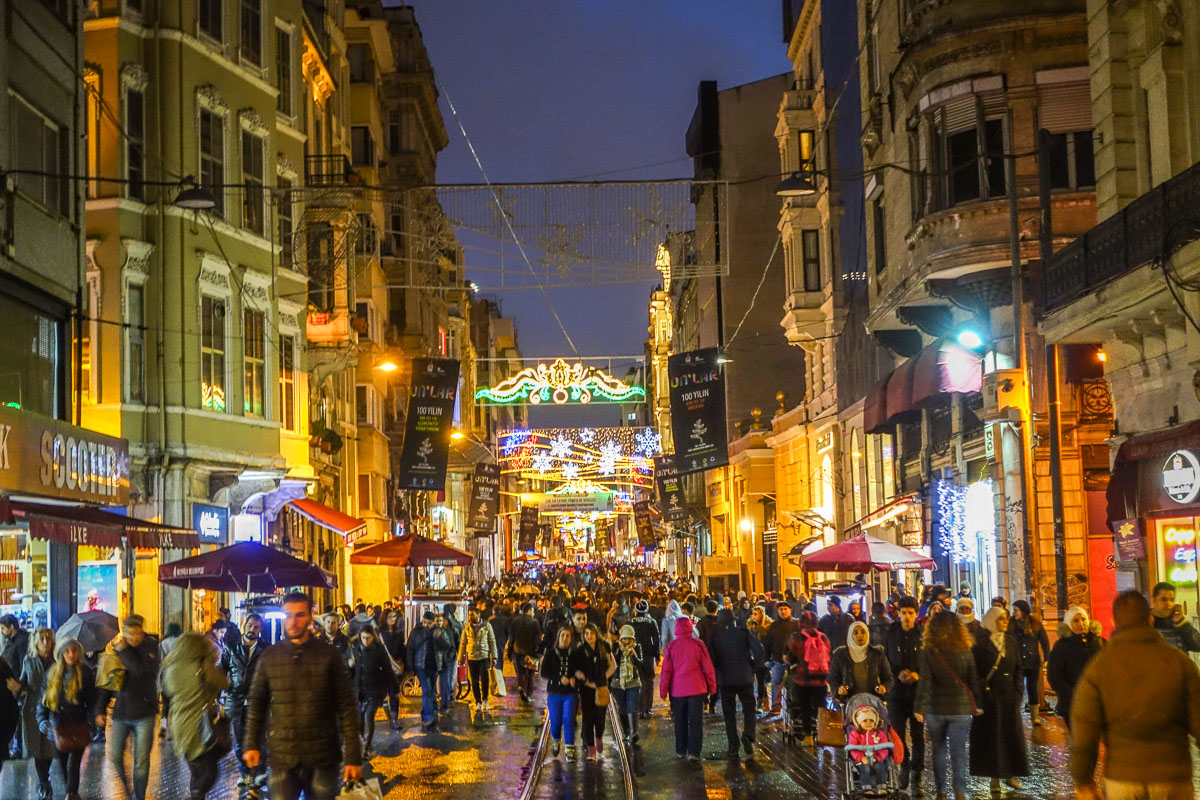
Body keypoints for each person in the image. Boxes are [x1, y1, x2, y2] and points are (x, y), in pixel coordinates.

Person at [1070, 590, 1200, 800]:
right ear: (1149, 619)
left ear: (1113, 621)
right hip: (1173, 777)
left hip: (1123, 779)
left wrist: (1083, 780)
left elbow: (1084, 729)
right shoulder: (1180, 663)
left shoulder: (1099, 667)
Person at [243, 592, 362, 800]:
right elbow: (256, 703)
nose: (293, 622)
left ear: (310, 617)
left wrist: (353, 756)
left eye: (299, 615)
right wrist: (252, 744)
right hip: (283, 755)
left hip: (322, 755)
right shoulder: (270, 657)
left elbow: (347, 706)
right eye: (288, 615)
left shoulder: (329, 655)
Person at [914, 607, 982, 800]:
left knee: (938, 750)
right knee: (959, 752)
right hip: (960, 709)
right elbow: (972, 679)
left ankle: (941, 791)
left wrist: (919, 708)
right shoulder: (965, 649)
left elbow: (925, 682)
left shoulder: (929, 651)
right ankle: (959, 791)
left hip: (936, 709)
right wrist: (977, 702)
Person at [93, 615, 159, 800]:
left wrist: (124, 650)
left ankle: (138, 796)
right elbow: (109, 681)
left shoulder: (151, 647)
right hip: (121, 712)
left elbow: (139, 671)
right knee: (114, 755)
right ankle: (128, 788)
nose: (133, 637)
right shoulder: (118, 650)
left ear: (141, 631)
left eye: (136, 633)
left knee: (141, 761)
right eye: (129, 633)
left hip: (144, 713)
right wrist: (100, 709)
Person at [161, 632, 231, 800]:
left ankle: (196, 796)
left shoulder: (169, 669)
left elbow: (167, 692)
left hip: (179, 725)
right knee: (210, 772)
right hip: (200, 725)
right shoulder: (201, 666)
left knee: (197, 769)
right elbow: (224, 683)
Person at [969, 607, 1028, 795]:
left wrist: (1018, 692)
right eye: (1000, 619)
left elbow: (1019, 668)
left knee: (1011, 736)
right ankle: (994, 778)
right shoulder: (980, 644)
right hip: (990, 698)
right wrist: (981, 691)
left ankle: (1011, 773)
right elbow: (973, 671)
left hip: (1009, 697)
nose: (1004, 622)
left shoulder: (1011, 641)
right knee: (993, 738)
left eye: (1005, 619)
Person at [36, 638, 94, 800]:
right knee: (62, 762)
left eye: (74, 651)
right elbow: (43, 699)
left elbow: (92, 699)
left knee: (74, 763)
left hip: (78, 724)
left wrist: (93, 720)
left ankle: (71, 792)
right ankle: (71, 791)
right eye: (67, 651)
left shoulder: (85, 672)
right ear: (61, 654)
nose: (71, 654)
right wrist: (42, 720)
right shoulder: (52, 673)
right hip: (58, 726)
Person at [219, 612, 267, 793]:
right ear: (244, 626)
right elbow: (221, 670)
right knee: (239, 741)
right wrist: (221, 688)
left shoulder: (265, 648)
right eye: (250, 626)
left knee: (260, 738)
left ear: (260, 629)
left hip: (257, 700)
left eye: (256, 627)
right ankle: (245, 772)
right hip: (236, 700)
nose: (252, 629)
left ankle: (260, 771)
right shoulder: (231, 647)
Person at [659, 616, 716, 763]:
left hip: (678, 690)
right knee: (696, 721)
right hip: (697, 689)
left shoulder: (672, 646)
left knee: (680, 720)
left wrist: (663, 691)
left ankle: (680, 749)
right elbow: (708, 668)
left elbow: (666, 671)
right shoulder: (698, 644)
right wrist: (712, 686)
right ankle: (694, 752)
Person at [707, 608, 762, 759]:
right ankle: (749, 735)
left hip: (726, 679)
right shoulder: (743, 633)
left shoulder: (715, 637)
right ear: (733, 620)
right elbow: (759, 650)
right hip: (744, 677)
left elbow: (712, 659)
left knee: (729, 713)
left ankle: (733, 746)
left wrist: (718, 670)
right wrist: (752, 666)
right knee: (749, 708)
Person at [884, 596, 925, 795]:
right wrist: (896, 673)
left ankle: (917, 776)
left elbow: (928, 661)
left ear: (916, 615)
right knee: (898, 735)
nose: (907, 616)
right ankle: (905, 764)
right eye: (904, 612)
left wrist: (918, 674)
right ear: (898, 614)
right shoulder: (890, 634)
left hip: (917, 694)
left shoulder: (922, 634)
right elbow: (884, 661)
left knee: (918, 736)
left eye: (911, 613)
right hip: (897, 693)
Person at [1046, 605, 1101, 728]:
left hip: (1097, 702)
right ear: (1069, 624)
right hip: (1073, 703)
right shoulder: (1062, 646)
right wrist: (1072, 694)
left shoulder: (1098, 641)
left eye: (1083, 619)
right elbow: (1055, 675)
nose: (1081, 623)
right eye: (1076, 621)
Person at [570, 624, 616, 761]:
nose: (589, 636)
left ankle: (599, 737)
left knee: (600, 718)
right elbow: (575, 668)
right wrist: (581, 677)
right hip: (586, 689)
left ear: (596, 634)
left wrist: (603, 678)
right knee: (588, 719)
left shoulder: (604, 648)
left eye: (591, 633)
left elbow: (613, 665)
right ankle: (591, 749)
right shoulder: (580, 651)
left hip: (601, 688)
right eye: (586, 634)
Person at [19, 628, 55, 800]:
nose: (45, 642)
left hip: (53, 709)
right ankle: (43, 782)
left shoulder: (57, 659)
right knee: (37, 749)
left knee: (49, 748)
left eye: (48, 639)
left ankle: (45, 778)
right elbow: (23, 682)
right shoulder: (29, 660)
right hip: (33, 709)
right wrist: (18, 689)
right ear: (36, 642)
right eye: (42, 639)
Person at [349, 627, 397, 757]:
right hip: (360, 690)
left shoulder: (379, 650)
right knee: (359, 719)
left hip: (375, 689)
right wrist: (350, 665)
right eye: (363, 638)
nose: (366, 641)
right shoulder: (356, 649)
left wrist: (394, 688)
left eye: (368, 638)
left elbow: (388, 669)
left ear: (373, 637)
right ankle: (366, 742)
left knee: (368, 716)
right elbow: (353, 671)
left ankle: (365, 747)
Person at [783, 610, 830, 743]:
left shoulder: (797, 638)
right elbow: (828, 656)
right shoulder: (823, 638)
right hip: (821, 680)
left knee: (805, 707)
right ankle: (822, 734)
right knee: (820, 706)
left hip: (803, 680)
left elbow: (791, 658)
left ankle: (808, 736)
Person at [405, 612, 454, 731]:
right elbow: (410, 649)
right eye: (424, 622)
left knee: (431, 691)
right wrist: (411, 667)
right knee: (427, 691)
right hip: (421, 666)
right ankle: (428, 717)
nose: (426, 625)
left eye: (429, 623)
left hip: (435, 665)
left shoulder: (439, 631)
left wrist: (439, 637)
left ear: (433, 622)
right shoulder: (416, 632)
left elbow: (448, 646)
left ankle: (431, 714)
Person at [828, 620, 893, 700]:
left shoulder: (877, 654)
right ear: (850, 636)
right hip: (848, 702)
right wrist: (838, 689)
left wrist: (885, 687)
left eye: (863, 632)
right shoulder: (840, 655)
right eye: (855, 633)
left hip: (873, 701)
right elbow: (832, 679)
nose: (860, 635)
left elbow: (889, 678)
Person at [1009, 600, 1049, 725]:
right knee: (1017, 689)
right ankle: (1015, 716)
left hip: (1032, 662)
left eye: (1016, 610)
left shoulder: (1035, 623)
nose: (1014, 613)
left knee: (1032, 688)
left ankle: (1035, 717)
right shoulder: (1010, 624)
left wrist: (1047, 658)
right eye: (1014, 610)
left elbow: (1044, 641)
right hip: (1017, 662)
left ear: (1023, 611)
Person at [541, 627, 577, 758]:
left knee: (568, 719)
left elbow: (578, 671)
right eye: (562, 635)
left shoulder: (574, 654)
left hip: (570, 693)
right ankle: (556, 741)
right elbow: (544, 672)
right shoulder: (550, 654)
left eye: (568, 636)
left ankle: (569, 750)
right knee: (555, 721)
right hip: (554, 693)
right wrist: (559, 678)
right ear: (558, 637)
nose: (565, 638)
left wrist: (575, 679)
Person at [458, 606, 498, 712]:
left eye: (472, 614)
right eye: (469, 615)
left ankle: (485, 699)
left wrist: (494, 656)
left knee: (485, 679)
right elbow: (463, 643)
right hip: (472, 657)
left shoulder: (487, 626)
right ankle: (478, 701)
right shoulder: (467, 627)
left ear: (478, 614)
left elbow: (492, 641)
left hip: (484, 656)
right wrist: (460, 657)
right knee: (474, 681)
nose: (470, 617)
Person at [609, 625, 642, 744]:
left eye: (630, 638)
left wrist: (634, 656)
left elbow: (641, 666)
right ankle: (626, 731)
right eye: (625, 638)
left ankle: (634, 732)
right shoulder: (615, 648)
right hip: (618, 684)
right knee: (623, 709)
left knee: (632, 707)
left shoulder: (637, 648)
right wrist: (619, 652)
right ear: (621, 638)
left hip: (633, 682)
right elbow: (613, 664)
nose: (627, 641)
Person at [764, 602, 798, 714]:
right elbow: (768, 643)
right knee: (776, 683)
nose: (783, 611)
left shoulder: (796, 624)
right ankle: (776, 706)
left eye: (785, 609)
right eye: (781, 609)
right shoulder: (774, 626)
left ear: (790, 610)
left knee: (792, 684)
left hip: (793, 660)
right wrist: (767, 658)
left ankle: (791, 705)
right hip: (777, 659)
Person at [628, 599, 660, 717]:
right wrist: (657, 655)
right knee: (649, 681)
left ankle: (638, 708)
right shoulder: (651, 622)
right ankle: (647, 708)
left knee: (636, 681)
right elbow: (656, 639)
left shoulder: (630, 622)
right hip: (648, 655)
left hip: (634, 654)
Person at [848, 704, 891, 789]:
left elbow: (884, 749)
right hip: (861, 760)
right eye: (865, 721)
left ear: (875, 722)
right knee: (865, 769)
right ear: (859, 722)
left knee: (881, 767)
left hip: (877, 759)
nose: (868, 723)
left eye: (871, 720)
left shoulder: (880, 734)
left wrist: (878, 757)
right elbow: (853, 749)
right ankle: (866, 787)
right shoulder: (855, 734)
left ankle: (881, 787)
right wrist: (860, 757)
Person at [1150, 581, 1200, 653]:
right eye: (1163, 599)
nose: (1168, 604)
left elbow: (1198, 645)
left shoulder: (1179, 624)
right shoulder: (1146, 623)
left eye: (1172, 600)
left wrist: (1181, 621)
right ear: (1153, 600)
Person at [508, 602, 542, 703]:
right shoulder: (534, 622)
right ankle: (529, 694)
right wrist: (538, 652)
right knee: (530, 674)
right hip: (530, 652)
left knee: (520, 673)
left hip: (517, 651)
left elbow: (511, 638)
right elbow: (537, 639)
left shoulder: (515, 621)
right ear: (530, 611)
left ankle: (521, 688)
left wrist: (509, 652)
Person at [157, 621, 182, 740]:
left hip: (164, 676)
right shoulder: (181, 642)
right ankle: (173, 730)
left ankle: (163, 726)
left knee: (165, 703)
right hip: (177, 676)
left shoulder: (162, 643)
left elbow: (160, 661)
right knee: (175, 705)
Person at [438, 603, 463, 713]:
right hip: (450, 656)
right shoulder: (457, 625)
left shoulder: (447, 629)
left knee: (446, 679)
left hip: (447, 657)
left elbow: (456, 643)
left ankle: (447, 698)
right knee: (450, 678)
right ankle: (449, 698)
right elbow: (458, 643)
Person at [747, 604, 771, 711]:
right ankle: (759, 702)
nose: (753, 616)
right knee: (752, 681)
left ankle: (761, 703)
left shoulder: (767, 627)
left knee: (761, 681)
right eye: (753, 614)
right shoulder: (750, 626)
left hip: (763, 658)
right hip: (752, 658)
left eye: (756, 614)